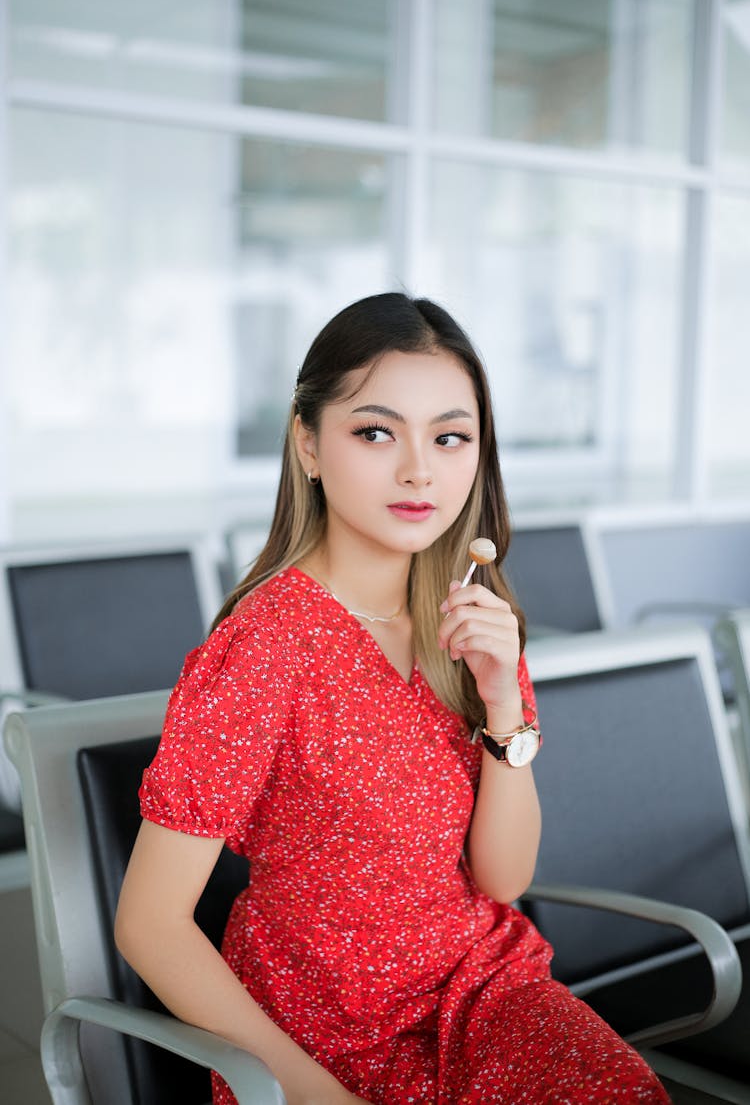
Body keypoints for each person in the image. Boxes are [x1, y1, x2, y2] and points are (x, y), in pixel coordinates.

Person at [116, 292, 670, 1104]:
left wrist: (501, 705)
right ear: (308, 443)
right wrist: (313, 1093)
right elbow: (151, 924)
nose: (420, 469)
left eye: (450, 437)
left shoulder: (474, 618)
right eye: (376, 432)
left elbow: (503, 879)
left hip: (483, 995)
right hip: (322, 1032)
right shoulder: (268, 643)